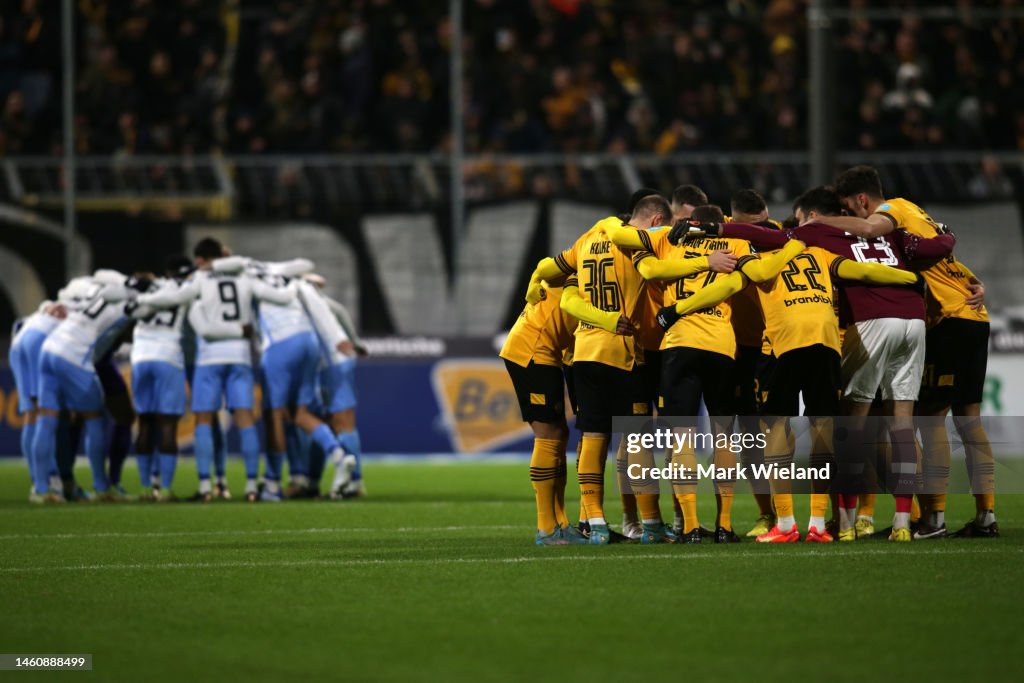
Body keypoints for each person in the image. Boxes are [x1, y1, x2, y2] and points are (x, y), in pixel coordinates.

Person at [135, 238, 297, 502]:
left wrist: (142, 296)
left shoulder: (201, 278)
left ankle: (204, 487)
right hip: (240, 356)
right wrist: (294, 284)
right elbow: (280, 296)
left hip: (209, 358)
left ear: (201, 259)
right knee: (245, 419)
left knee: (203, 421)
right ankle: (251, 486)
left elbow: (175, 297)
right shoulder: (244, 277)